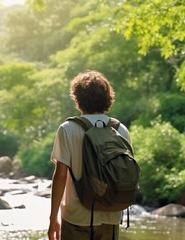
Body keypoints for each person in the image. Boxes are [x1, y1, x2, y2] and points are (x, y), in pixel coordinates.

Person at [48, 70, 132, 240]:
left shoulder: (68, 129)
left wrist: (53, 218)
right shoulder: (120, 129)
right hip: (112, 214)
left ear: (78, 98)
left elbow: (61, 175)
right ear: (108, 97)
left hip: (77, 216)